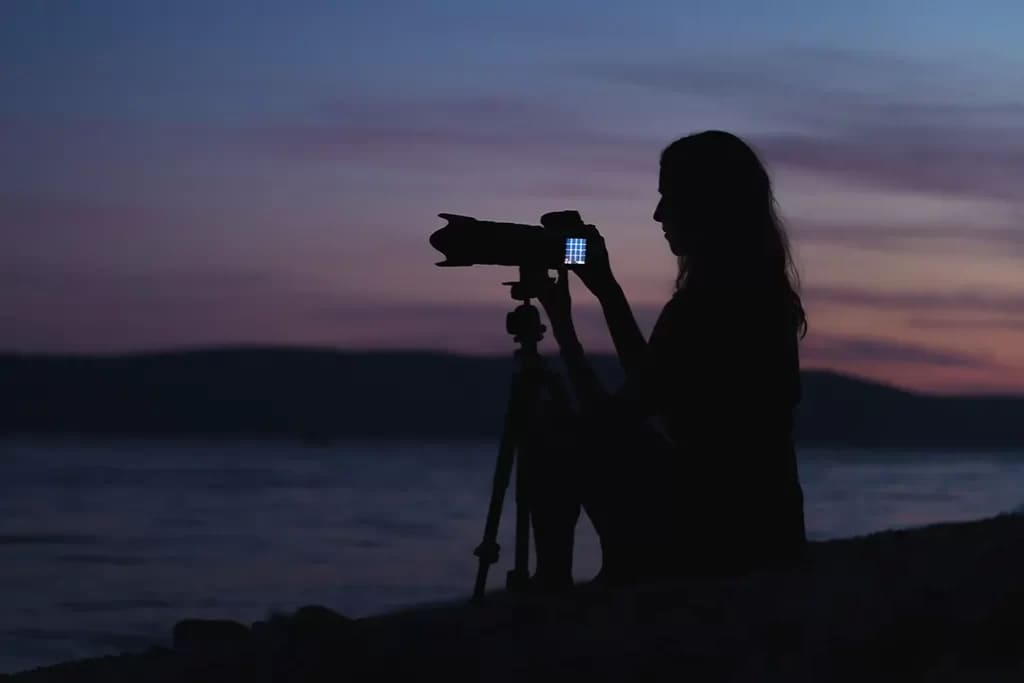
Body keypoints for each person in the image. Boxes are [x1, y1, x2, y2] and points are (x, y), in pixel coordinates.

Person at [526, 130, 808, 590]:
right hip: (769, 527)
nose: (657, 214)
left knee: (553, 433)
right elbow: (655, 384)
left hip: (715, 534)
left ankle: (552, 586)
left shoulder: (707, 305)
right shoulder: (759, 298)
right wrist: (605, 293)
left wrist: (566, 334)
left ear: (707, 204)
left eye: (668, 197)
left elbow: (617, 416)